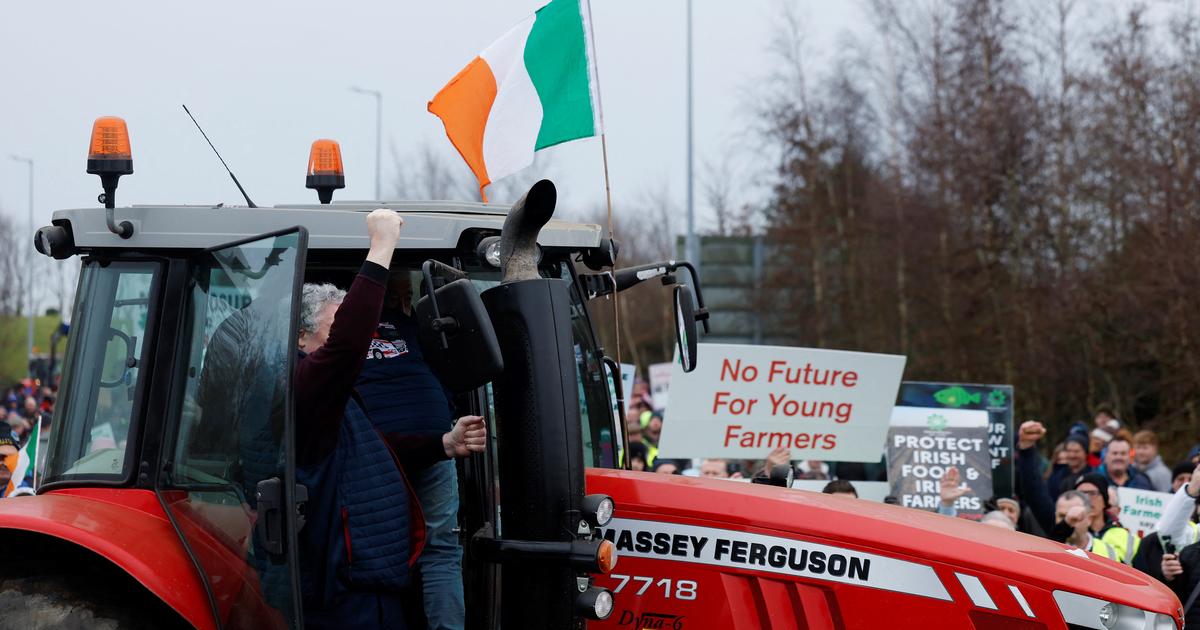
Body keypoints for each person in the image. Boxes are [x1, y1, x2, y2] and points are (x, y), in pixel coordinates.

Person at [292, 209, 487, 629]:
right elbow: (347, 349)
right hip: (347, 593)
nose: (359, 340)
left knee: (430, 549)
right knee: (439, 551)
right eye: (334, 325)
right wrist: (381, 247)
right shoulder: (308, 383)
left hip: (375, 588)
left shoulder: (344, 391)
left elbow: (369, 447)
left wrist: (442, 444)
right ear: (300, 336)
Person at [352, 268, 485, 630]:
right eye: (400, 296)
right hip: (436, 442)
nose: (404, 303)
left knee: (373, 552)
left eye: (406, 296)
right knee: (440, 551)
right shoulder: (415, 330)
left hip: (376, 451)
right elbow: (443, 383)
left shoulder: (345, 329)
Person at [1052, 490, 1117, 560]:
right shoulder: (1047, 546)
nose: (1069, 522)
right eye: (1062, 516)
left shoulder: (1108, 552)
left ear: (1089, 519)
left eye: (1075, 516)